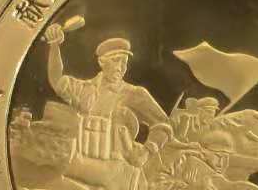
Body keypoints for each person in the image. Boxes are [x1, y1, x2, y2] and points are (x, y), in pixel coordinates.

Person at [43, 26, 167, 161]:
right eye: (115, 60)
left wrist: (148, 150)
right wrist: (54, 45)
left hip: (117, 167)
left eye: (124, 62)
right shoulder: (84, 89)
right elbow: (56, 80)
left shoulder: (135, 94)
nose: (120, 67)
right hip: (80, 164)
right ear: (102, 62)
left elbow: (163, 124)